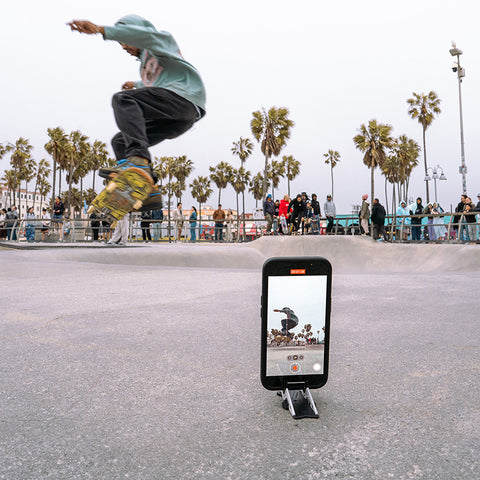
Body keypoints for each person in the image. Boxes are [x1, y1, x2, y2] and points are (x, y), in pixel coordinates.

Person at [68, 15, 206, 214]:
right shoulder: (144, 67)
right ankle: (149, 191)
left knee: (123, 99)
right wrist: (137, 84)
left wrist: (100, 29)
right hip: (174, 118)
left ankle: (139, 162)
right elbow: (158, 87)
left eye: (124, 42)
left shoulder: (160, 40)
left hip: (184, 101)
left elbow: (143, 36)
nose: (124, 47)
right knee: (120, 141)